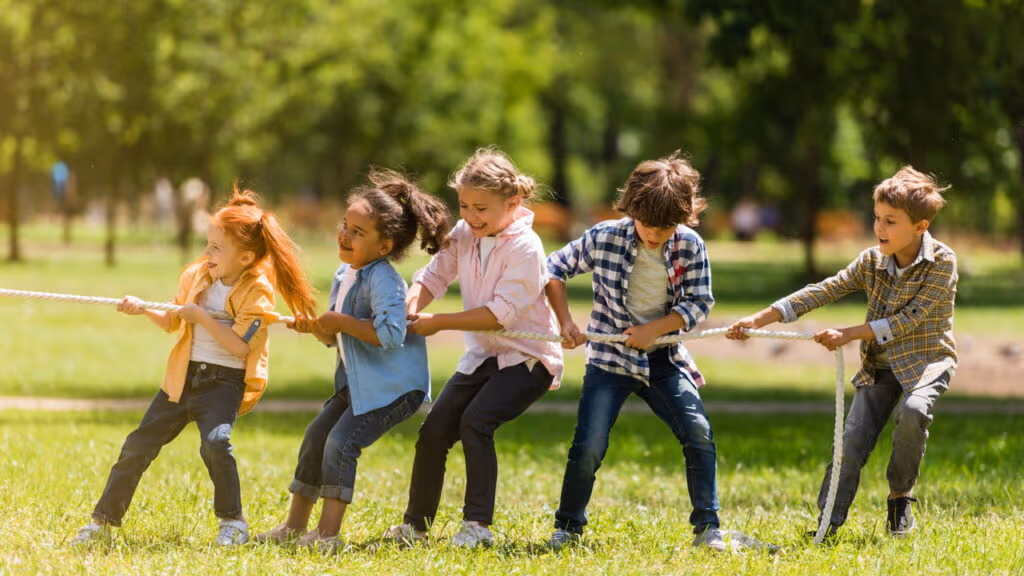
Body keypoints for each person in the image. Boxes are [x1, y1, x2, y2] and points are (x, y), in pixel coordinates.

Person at [70, 188, 318, 547]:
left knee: (216, 444)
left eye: (216, 248)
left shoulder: (258, 292)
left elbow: (239, 346)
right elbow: (172, 319)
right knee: (138, 445)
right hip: (182, 378)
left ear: (246, 256)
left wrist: (201, 316)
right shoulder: (197, 276)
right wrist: (143, 307)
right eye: (208, 244)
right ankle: (101, 523)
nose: (207, 254)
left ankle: (233, 522)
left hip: (223, 383)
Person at [726, 166, 956, 539]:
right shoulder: (871, 261)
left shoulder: (942, 262)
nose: (879, 228)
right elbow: (824, 290)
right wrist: (759, 318)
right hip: (879, 366)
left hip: (926, 362)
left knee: (913, 412)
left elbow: (908, 320)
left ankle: (900, 498)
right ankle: (827, 524)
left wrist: (848, 334)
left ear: (921, 226)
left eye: (891, 221)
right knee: (850, 444)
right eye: (877, 217)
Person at [254, 169, 451, 551]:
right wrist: (315, 328)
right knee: (316, 438)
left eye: (358, 232)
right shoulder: (345, 273)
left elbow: (391, 335)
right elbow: (335, 337)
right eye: (345, 225)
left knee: (341, 443)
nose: (345, 235)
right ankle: (294, 527)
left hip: (394, 388)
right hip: (358, 382)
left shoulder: (384, 280)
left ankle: (328, 535)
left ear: (384, 245)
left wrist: (341, 322)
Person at [543, 151, 726, 552]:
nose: (655, 234)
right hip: (609, 362)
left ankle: (708, 528)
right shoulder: (604, 236)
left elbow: (699, 303)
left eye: (666, 227)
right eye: (648, 224)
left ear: (684, 218)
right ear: (631, 208)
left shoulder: (690, 245)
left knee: (698, 431)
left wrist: (654, 330)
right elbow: (552, 269)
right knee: (589, 445)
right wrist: (566, 323)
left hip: (664, 359)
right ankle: (568, 526)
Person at [383, 149, 564, 548]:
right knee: (434, 430)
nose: (470, 216)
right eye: (464, 206)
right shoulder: (466, 233)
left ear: (512, 203)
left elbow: (499, 315)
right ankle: (415, 527)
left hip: (528, 359)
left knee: (476, 423)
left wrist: (438, 321)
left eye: (481, 208)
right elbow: (432, 277)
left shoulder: (527, 247)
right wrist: (412, 306)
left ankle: (477, 527)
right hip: (484, 356)